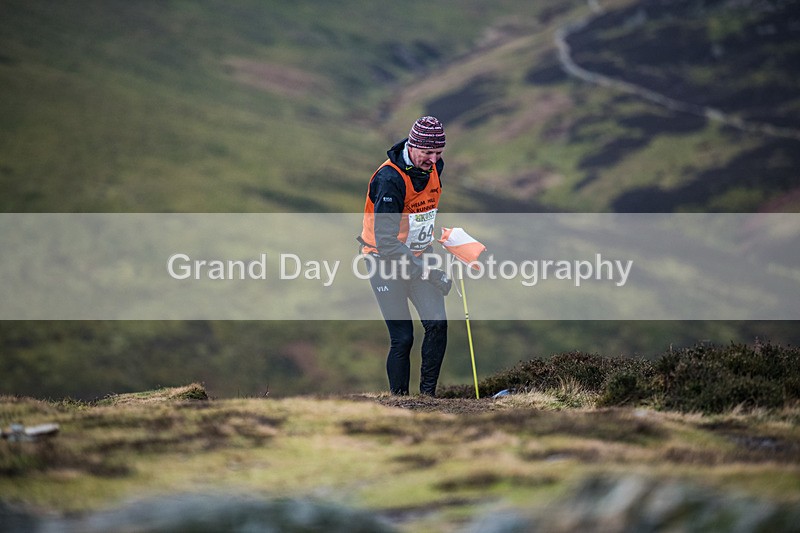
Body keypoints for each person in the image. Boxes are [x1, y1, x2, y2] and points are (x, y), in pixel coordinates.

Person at [358, 116, 452, 396]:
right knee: (403, 338)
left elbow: (421, 214)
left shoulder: (435, 167)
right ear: (412, 146)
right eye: (428, 153)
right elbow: (387, 243)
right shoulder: (389, 179)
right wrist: (430, 272)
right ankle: (400, 402)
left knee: (437, 325)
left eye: (439, 153)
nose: (433, 160)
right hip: (383, 261)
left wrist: (450, 239)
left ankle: (427, 399)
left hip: (419, 255)